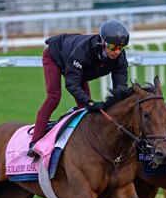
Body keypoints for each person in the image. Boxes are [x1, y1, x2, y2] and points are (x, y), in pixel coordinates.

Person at [27, 19, 130, 157]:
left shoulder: (120, 59)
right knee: (54, 97)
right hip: (56, 56)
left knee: (84, 108)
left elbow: (120, 92)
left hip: (78, 67)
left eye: (120, 48)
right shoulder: (85, 49)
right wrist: (90, 102)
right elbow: (71, 83)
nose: (117, 52)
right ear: (103, 42)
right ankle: (35, 142)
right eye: (113, 47)